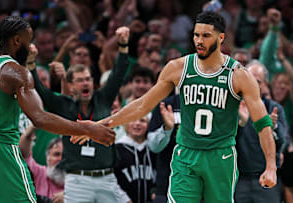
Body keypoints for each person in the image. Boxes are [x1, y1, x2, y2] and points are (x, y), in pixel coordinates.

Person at [72, 11, 277, 203]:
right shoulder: (178, 68)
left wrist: (271, 166)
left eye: (206, 35)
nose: (199, 41)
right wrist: (99, 125)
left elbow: (262, 122)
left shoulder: (238, 75)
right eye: (196, 35)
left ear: (221, 38)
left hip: (220, 156)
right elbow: (143, 104)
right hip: (186, 154)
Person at [0, 16, 115, 203]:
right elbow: (39, 118)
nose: (30, 47)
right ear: (16, 41)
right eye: (28, 41)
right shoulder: (15, 72)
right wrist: (88, 129)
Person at [29, 26, 131, 203]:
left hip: (107, 178)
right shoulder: (63, 105)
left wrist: (123, 45)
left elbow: (119, 73)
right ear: (70, 86)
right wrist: (31, 65)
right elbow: (40, 91)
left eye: (88, 79)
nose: (86, 84)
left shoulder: (104, 98)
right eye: (80, 80)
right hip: (77, 180)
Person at [235, 60, 287, 203]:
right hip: (239, 179)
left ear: (265, 84)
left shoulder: (274, 108)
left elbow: (283, 141)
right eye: (249, 79)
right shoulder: (235, 108)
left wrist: (273, 128)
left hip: (266, 179)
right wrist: (241, 124)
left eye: (257, 81)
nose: (252, 84)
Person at [114, 116, 157, 203]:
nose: (137, 123)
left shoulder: (155, 149)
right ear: (126, 124)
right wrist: (124, 199)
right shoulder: (117, 148)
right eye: (132, 119)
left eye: (143, 121)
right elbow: (111, 180)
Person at [19, 126, 64, 201]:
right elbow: (23, 154)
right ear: (47, 158)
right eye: (56, 154)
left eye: (64, 156)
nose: (60, 159)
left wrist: (68, 195)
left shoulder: (76, 180)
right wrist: (33, 127)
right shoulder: (39, 173)